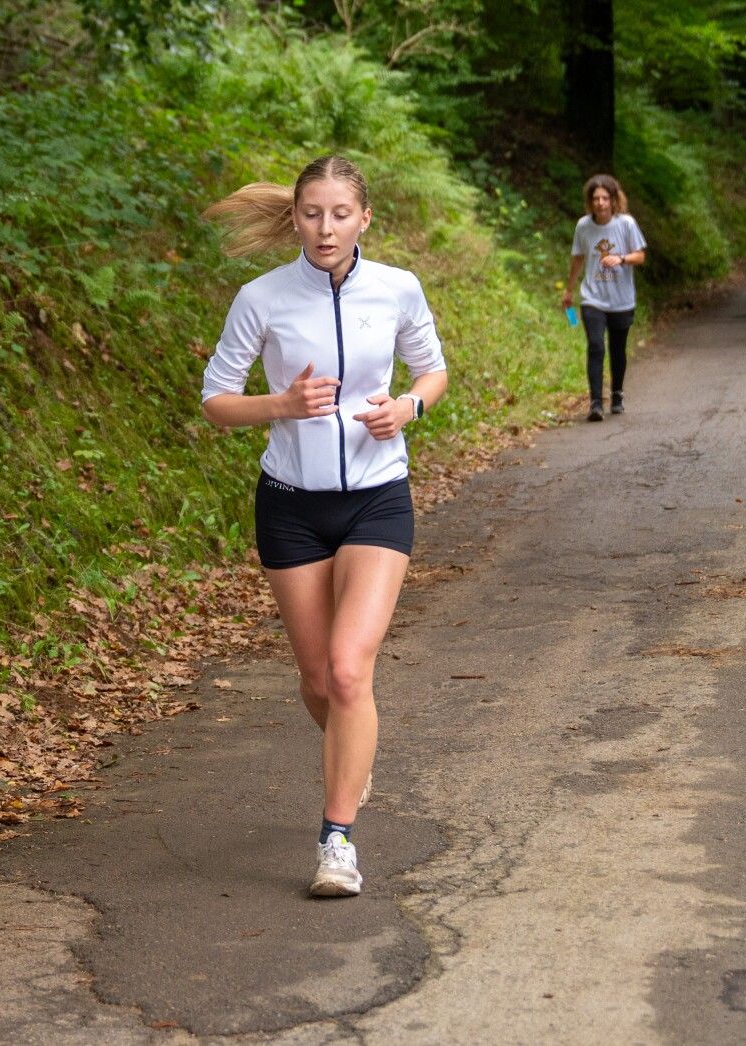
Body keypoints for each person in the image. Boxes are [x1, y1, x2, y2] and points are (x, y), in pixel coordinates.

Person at [200, 155, 449, 898]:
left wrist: (408, 407)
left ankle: (336, 840)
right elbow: (216, 399)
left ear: (364, 218)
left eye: (341, 214)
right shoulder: (262, 297)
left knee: (347, 670)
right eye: (313, 214)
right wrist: (281, 404)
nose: (326, 228)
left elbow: (432, 371)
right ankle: (353, 748)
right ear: (296, 218)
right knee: (317, 681)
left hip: (377, 497)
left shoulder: (397, 288)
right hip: (291, 504)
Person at [562, 174, 647, 421]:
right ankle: (596, 403)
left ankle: (617, 395)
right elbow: (578, 258)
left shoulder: (626, 224)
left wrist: (621, 258)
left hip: (621, 299)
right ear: (590, 201)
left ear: (613, 200)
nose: (600, 203)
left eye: (605, 198)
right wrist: (569, 290)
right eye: (596, 198)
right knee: (596, 345)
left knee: (618, 349)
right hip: (593, 298)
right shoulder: (583, 226)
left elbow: (640, 256)